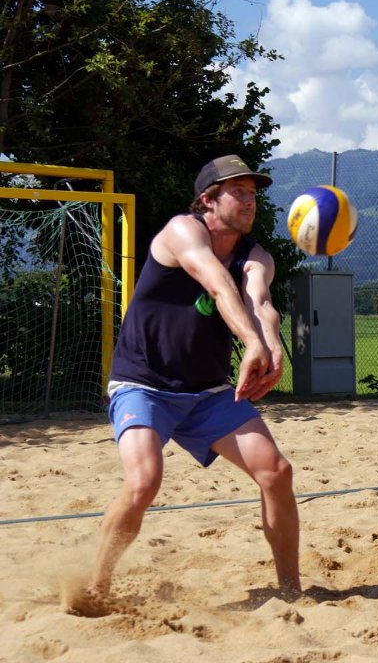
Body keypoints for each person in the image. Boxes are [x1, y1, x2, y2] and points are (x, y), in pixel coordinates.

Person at [71, 155, 299, 615]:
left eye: (254, 192)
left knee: (276, 472)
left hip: (206, 392)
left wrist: (271, 345)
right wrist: (251, 341)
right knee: (144, 482)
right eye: (239, 191)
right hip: (143, 383)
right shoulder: (183, 231)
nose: (250, 200)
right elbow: (217, 285)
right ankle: (95, 587)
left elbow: (260, 301)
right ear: (208, 201)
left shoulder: (256, 257)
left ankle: (291, 589)